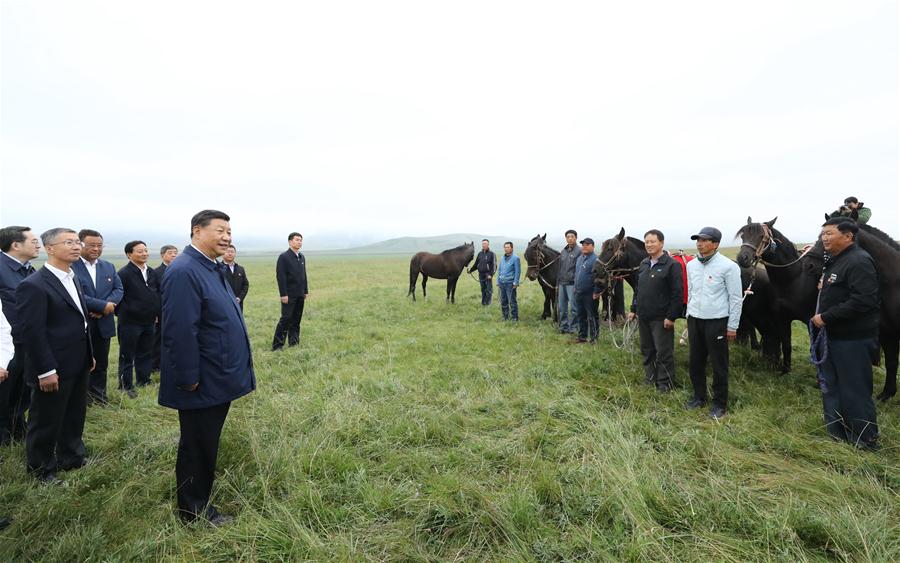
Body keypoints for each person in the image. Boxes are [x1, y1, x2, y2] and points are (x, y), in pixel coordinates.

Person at [158, 209, 255, 526]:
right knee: (197, 445)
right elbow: (180, 330)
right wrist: (187, 379)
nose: (227, 236)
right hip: (201, 380)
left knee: (204, 441)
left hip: (215, 374)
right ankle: (194, 512)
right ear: (197, 231)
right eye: (220, 230)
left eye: (230, 231)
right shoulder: (185, 271)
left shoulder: (210, 267)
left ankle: (197, 500)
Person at [15, 228, 93, 484]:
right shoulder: (34, 285)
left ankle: (71, 457)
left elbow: (80, 321)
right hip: (52, 365)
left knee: (74, 413)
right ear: (49, 248)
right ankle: (41, 469)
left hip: (77, 360)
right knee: (46, 419)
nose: (75, 246)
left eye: (76, 242)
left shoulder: (73, 278)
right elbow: (33, 333)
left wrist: (88, 355)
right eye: (68, 242)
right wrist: (45, 370)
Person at [812, 218, 880, 449]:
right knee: (830, 387)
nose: (824, 238)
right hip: (833, 338)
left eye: (829, 233)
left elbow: (863, 300)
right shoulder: (836, 261)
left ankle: (865, 441)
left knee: (854, 390)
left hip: (853, 339)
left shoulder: (859, 260)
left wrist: (826, 317)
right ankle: (837, 435)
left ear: (848, 236)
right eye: (823, 234)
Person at [685, 227, 743, 419]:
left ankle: (720, 404)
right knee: (695, 362)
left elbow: (735, 298)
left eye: (704, 240)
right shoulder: (691, 265)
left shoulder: (729, 267)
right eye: (698, 240)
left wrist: (732, 326)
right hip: (695, 320)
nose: (699, 243)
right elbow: (691, 292)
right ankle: (698, 397)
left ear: (715, 244)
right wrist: (688, 317)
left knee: (719, 364)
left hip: (716, 321)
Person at [72, 229, 123, 405]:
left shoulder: (108, 266)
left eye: (99, 245)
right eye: (91, 245)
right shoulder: (71, 266)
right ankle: (81, 399)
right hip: (80, 324)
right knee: (80, 364)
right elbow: (75, 294)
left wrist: (105, 308)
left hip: (103, 322)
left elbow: (118, 289)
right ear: (80, 245)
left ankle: (99, 397)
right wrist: (101, 305)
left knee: (101, 364)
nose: (96, 249)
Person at [627, 230, 683, 391]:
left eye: (652, 241)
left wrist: (671, 317)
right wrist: (633, 309)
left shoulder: (672, 265)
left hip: (661, 318)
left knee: (663, 352)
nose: (649, 245)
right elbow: (638, 289)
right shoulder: (644, 264)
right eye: (647, 242)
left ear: (661, 243)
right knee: (647, 350)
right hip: (643, 316)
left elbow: (677, 294)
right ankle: (650, 377)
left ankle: (665, 383)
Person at [0, 226, 39, 445]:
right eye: (33, 241)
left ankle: (17, 429)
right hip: (6, 344)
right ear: (16, 245)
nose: (38, 244)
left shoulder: (30, 270)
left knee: (23, 389)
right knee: (4, 390)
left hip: (28, 341)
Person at [116, 241, 161, 397]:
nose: (144, 254)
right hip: (130, 322)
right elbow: (118, 297)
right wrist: (126, 313)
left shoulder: (152, 272)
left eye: (146, 251)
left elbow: (158, 294)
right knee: (127, 355)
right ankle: (125, 386)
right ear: (129, 254)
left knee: (145, 352)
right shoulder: (124, 273)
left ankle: (143, 380)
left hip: (149, 321)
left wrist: (156, 313)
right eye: (140, 251)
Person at [272, 232, 309, 350]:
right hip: (289, 294)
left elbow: (304, 275)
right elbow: (281, 276)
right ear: (290, 242)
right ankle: (277, 345)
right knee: (286, 319)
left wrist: (305, 290)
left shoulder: (301, 257)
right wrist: (283, 294)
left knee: (297, 319)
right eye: (297, 240)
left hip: (300, 294)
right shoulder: (284, 257)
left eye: (301, 240)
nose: (299, 242)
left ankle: (294, 342)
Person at [152, 245, 179, 372]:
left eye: (175, 253)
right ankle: (156, 364)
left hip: (178, 309)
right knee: (159, 337)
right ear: (162, 255)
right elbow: (154, 294)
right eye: (170, 253)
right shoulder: (156, 272)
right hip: (162, 310)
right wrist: (156, 312)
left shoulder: (180, 270)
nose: (174, 255)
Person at [574, 238, 600, 343]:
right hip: (579, 292)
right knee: (581, 315)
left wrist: (596, 291)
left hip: (590, 294)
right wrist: (575, 287)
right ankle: (582, 337)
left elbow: (598, 277)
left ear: (593, 246)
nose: (584, 246)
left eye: (587, 244)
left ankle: (594, 338)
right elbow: (577, 274)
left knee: (592, 316)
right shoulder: (580, 258)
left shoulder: (596, 260)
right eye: (583, 244)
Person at [557, 230, 580, 334]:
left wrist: (576, 284)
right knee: (562, 308)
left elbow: (578, 270)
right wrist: (557, 283)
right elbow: (560, 268)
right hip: (562, 283)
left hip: (572, 284)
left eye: (572, 236)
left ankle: (574, 328)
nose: (570, 238)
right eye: (568, 237)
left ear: (576, 238)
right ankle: (564, 327)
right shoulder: (563, 251)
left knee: (574, 308)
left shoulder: (579, 251)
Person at [496, 241, 520, 321]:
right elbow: (499, 270)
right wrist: (498, 281)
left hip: (510, 283)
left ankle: (514, 317)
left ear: (512, 248)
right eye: (505, 247)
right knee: (503, 301)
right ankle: (505, 317)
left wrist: (516, 282)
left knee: (512, 301)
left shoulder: (516, 258)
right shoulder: (502, 258)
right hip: (502, 282)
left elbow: (518, 271)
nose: (506, 249)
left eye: (508, 247)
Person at [468, 239, 497, 306]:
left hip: (488, 275)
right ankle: (483, 303)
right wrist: (471, 270)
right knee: (483, 289)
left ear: (488, 244)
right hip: (481, 274)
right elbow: (476, 264)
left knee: (488, 290)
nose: (483, 245)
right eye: (483, 243)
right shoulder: (480, 254)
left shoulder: (492, 254)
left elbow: (494, 266)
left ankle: (488, 304)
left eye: (485, 243)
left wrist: (491, 275)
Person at [222, 245, 250, 311]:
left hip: (238, 304)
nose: (230, 253)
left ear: (235, 254)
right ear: (223, 253)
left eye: (232, 252)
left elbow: (245, 285)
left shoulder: (240, 269)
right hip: (223, 304)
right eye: (227, 251)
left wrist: (240, 298)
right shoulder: (218, 269)